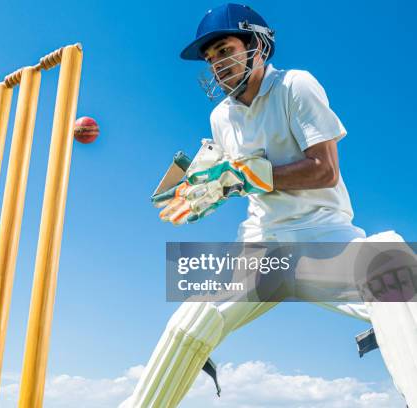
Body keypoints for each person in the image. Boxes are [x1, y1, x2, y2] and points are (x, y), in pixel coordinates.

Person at [120, 3, 417, 407]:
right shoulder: (221, 116)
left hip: (322, 238)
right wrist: (206, 189)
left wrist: (244, 177)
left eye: (224, 50)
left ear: (256, 46)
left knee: (393, 264)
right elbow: (227, 175)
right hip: (261, 248)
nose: (217, 65)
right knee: (193, 321)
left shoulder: (295, 85)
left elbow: (324, 170)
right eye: (210, 60)